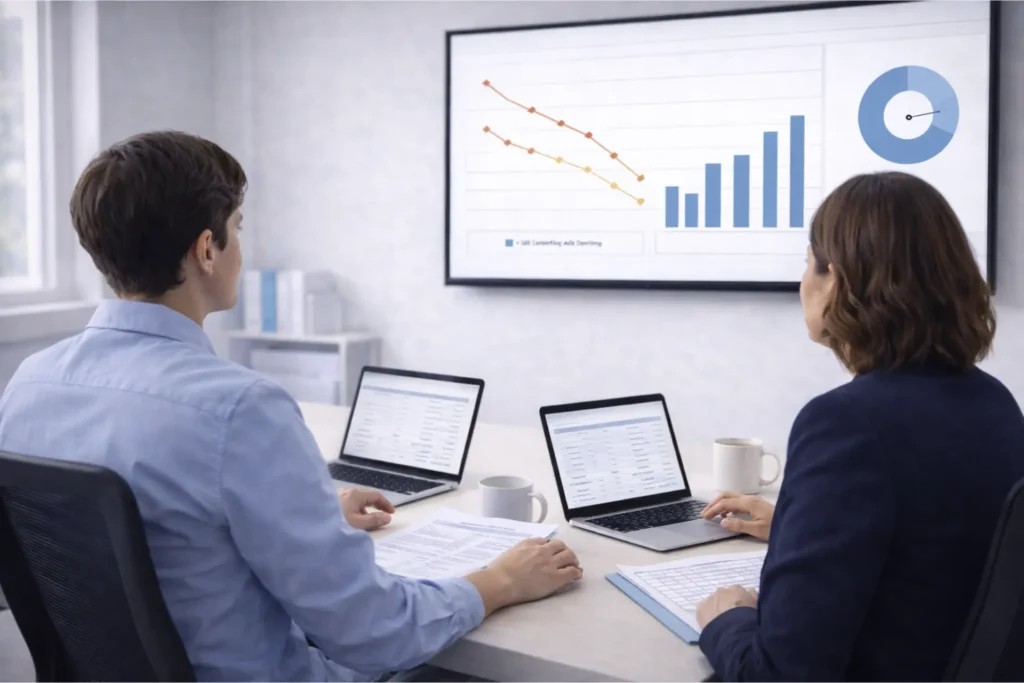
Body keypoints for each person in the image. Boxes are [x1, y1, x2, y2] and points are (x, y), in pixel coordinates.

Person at [0, 131, 583, 681]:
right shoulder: (239, 409)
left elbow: (148, 523)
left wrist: (310, 511)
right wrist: (499, 580)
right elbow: (374, 633)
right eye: (238, 226)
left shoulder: (30, 384)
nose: (241, 245)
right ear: (207, 248)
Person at [694, 171, 1024, 681]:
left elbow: (781, 675)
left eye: (808, 263)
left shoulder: (846, 424)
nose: (802, 282)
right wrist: (793, 526)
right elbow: (929, 548)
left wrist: (727, 620)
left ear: (839, 280)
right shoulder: (994, 402)